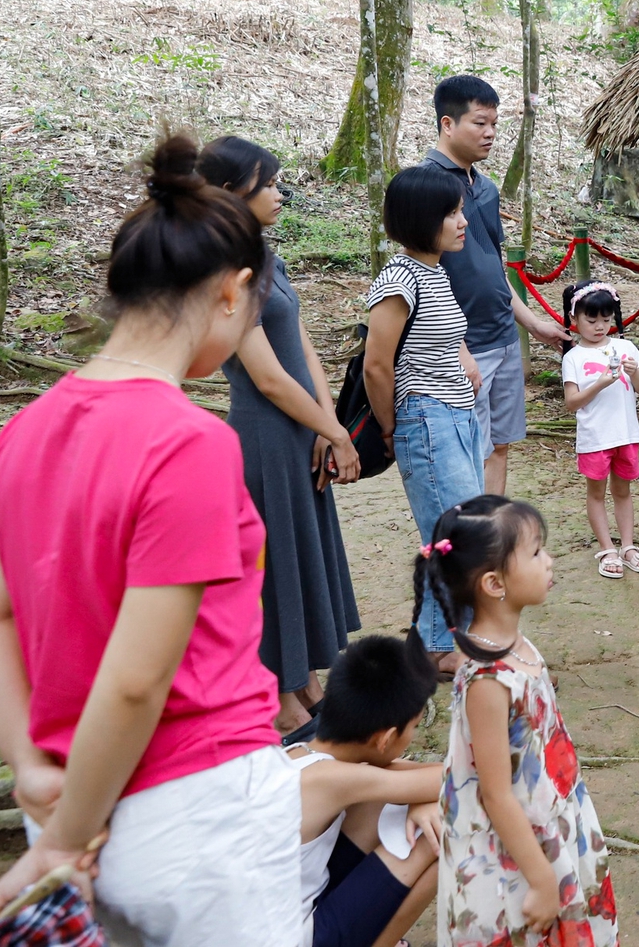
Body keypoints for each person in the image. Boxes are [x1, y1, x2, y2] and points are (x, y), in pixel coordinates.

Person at [0, 134, 305, 944]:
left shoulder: (20, 432)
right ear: (234, 294)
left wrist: (34, 774)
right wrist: (62, 844)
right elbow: (137, 681)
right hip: (197, 820)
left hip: (66, 795)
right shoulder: (189, 442)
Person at [200, 135, 363, 735]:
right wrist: (332, 433)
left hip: (303, 430)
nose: (279, 193)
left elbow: (303, 347)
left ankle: (308, 685)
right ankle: (280, 698)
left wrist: (329, 423)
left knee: (302, 553)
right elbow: (266, 377)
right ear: (228, 193)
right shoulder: (223, 268)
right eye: (267, 184)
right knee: (276, 564)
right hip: (266, 435)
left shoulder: (267, 254)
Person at [414, 496, 617, 947]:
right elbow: (495, 792)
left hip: (550, 816)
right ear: (494, 583)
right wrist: (543, 880)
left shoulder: (515, 646)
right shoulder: (487, 679)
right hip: (515, 852)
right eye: (536, 552)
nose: (550, 561)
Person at [421, 75, 569, 496]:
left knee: (499, 446)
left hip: (503, 338)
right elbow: (425, 277)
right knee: (470, 447)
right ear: (448, 124)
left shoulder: (484, 187)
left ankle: (493, 532)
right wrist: (460, 350)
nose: (489, 133)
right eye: (479, 123)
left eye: (494, 124)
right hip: (463, 347)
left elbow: (494, 267)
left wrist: (532, 323)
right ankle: (470, 544)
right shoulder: (428, 187)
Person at [366, 165, 484, 669]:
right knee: (453, 539)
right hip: (426, 421)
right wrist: (392, 427)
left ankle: (440, 639)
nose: (462, 222)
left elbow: (440, 337)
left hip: (458, 417)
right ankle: (442, 646)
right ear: (421, 219)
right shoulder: (398, 280)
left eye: (460, 210)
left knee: (464, 534)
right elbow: (376, 365)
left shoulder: (434, 271)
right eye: (451, 213)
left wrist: (465, 360)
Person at [292, 634, 445, 947]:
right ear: (386, 738)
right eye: (413, 728)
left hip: (281, 911)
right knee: (440, 831)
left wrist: (416, 798)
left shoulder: (299, 754)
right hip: (294, 937)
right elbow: (465, 779)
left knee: (388, 806)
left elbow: (409, 778)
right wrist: (421, 799)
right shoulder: (336, 779)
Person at [559, 281, 639, 580]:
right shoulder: (573, 357)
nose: (600, 327)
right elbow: (572, 403)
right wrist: (599, 382)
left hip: (626, 433)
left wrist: (635, 371)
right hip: (595, 437)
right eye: (591, 320)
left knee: (623, 492)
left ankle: (628, 547)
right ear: (575, 320)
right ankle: (607, 548)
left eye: (606, 320)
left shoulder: (624, 347)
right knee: (596, 493)